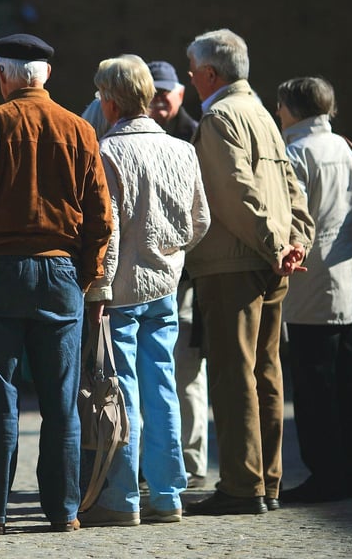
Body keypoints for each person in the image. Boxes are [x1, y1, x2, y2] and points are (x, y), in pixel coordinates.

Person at [0, 33, 113, 535]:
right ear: (46, 75)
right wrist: (85, 275)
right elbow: (101, 217)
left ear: (3, 76)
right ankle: (63, 511)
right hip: (60, 270)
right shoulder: (80, 129)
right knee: (61, 401)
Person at [182, 28, 315, 516]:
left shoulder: (220, 116)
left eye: (193, 70)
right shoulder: (260, 112)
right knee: (266, 373)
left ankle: (242, 485)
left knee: (234, 375)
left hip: (233, 263)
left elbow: (234, 192)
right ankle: (268, 481)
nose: (190, 78)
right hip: (271, 260)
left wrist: (277, 242)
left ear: (210, 73)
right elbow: (290, 187)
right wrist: (295, 242)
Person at [78, 55, 210, 528]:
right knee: (164, 389)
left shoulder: (108, 152)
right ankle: (169, 493)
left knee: (122, 393)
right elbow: (202, 222)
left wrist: (99, 288)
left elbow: (107, 234)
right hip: (165, 286)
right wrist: (171, 255)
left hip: (122, 292)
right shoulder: (181, 149)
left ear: (110, 102)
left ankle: (124, 497)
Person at [276, 77, 352, 503]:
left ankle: (326, 477)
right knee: (350, 388)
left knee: (316, 392)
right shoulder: (346, 147)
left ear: (293, 109)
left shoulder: (296, 154)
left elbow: (295, 222)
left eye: (280, 106)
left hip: (314, 288)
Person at [146, 60, 208, 489]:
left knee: (185, 373)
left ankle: (192, 461)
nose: (161, 98)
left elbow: (202, 214)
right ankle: (160, 464)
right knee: (154, 373)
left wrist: (180, 256)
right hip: (151, 275)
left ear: (181, 93)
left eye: (167, 90)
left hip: (185, 277)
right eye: (154, 91)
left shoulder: (196, 134)